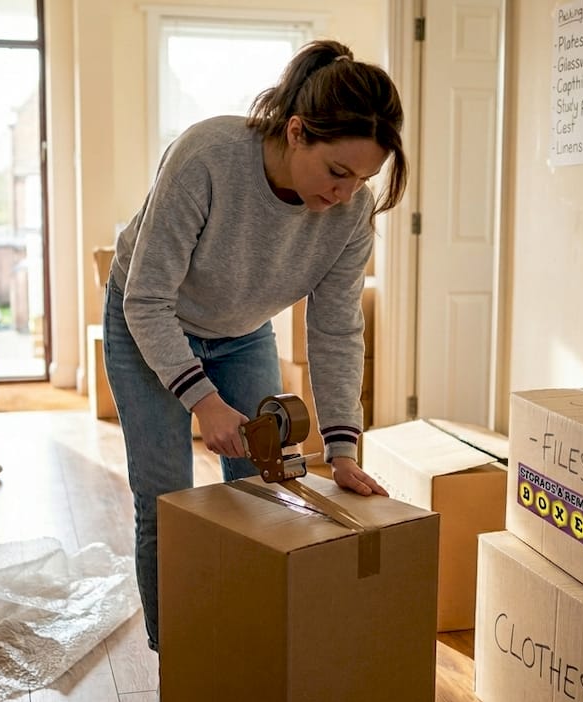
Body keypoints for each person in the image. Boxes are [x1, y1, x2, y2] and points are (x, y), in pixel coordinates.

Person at [102, 39, 407, 655]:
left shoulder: (351, 215)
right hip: (150, 320)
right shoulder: (208, 156)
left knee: (266, 490)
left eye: (365, 178)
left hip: (241, 333)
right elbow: (146, 299)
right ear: (297, 132)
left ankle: (249, 647)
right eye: (338, 172)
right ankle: (182, 660)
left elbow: (335, 329)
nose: (348, 193)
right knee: (167, 497)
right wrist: (203, 402)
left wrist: (343, 448)